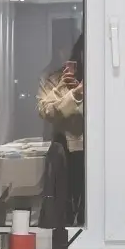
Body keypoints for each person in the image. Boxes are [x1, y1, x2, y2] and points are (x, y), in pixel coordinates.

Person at [37, 33, 84, 224]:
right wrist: (73, 93)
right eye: (63, 49)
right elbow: (45, 111)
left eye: (73, 50)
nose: (69, 55)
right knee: (61, 204)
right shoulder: (52, 78)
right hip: (63, 146)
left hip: (92, 147)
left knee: (90, 204)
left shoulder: (96, 77)